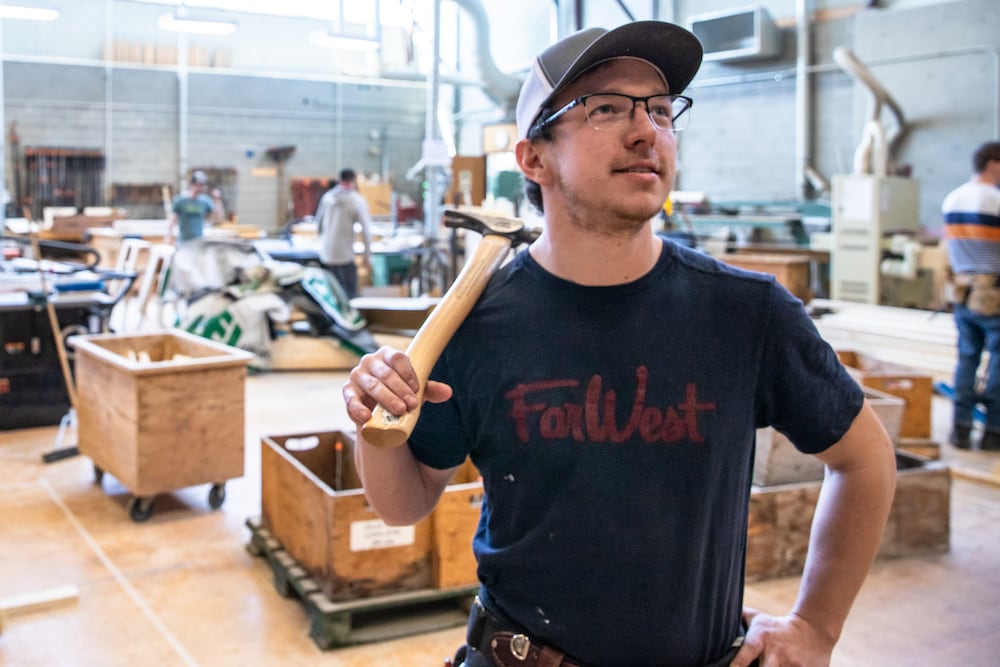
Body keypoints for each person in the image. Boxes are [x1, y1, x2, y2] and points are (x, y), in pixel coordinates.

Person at [342, 20, 896, 667]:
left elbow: (866, 460)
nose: (647, 131)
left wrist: (815, 628)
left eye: (661, 111)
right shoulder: (475, 325)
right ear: (533, 157)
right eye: (606, 108)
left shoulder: (748, 314)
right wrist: (369, 421)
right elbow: (404, 501)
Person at [942, 140, 1000, 451]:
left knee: (967, 358)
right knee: (998, 364)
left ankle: (960, 430)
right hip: (993, 292)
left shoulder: (953, 199)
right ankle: (993, 432)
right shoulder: (994, 200)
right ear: (993, 164)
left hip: (963, 292)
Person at [315, 168, 372, 299]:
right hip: (345, 257)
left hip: (326, 255)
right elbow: (366, 231)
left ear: (339, 180)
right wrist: (367, 256)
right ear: (354, 181)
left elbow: (318, 225)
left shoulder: (327, 198)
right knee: (350, 297)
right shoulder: (357, 201)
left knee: (331, 296)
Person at [167, 170, 221, 245]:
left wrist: (217, 200)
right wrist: (168, 236)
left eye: (203, 185)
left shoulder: (205, 201)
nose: (202, 188)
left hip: (198, 243)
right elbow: (172, 220)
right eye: (200, 185)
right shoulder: (180, 201)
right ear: (193, 185)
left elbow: (217, 218)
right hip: (183, 243)